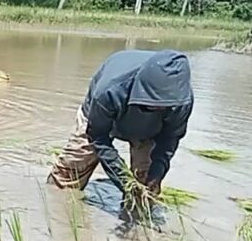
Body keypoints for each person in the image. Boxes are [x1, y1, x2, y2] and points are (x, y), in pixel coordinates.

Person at [47, 49, 193, 212]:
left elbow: (169, 140)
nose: (156, 108)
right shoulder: (109, 90)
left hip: (150, 131)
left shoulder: (181, 103)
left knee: (145, 187)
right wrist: (122, 178)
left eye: (162, 106)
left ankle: (135, 221)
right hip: (99, 121)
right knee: (69, 171)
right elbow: (97, 137)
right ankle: (56, 214)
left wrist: (157, 173)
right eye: (150, 104)